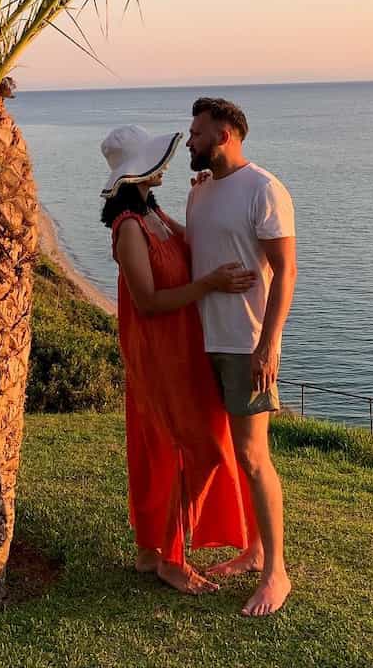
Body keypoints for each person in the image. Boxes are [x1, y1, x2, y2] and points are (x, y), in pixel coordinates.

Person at [101, 124, 259, 595]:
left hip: (183, 347)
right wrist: (209, 285)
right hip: (158, 353)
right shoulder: (128, 227)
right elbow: (148, 302)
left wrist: (201, 200)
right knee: (194, 449)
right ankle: (170, 559)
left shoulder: (152, 213)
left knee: (178, 448)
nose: (166, 165)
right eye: (156, 159)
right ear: (137, 171)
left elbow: (195, 244)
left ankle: (153, 551)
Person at [185, 97, 297, 617]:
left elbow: (286, 271)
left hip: (245, 344)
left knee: (253, 457)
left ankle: (276, 572)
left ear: (224, 134)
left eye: (197, 132)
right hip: (205, 340)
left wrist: (268, 345)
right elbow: (199, 250)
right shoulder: (201, 191)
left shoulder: (264, 189)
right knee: (232, 453)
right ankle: (253, 551)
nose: (190, 140)